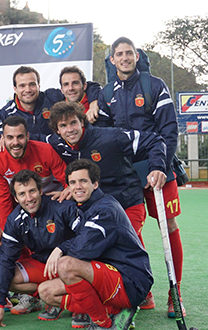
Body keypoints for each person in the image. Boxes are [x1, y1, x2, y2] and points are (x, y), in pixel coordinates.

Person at [99, 37, 184, 315]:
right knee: (129, 231)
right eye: (119, 54)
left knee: (168, 226)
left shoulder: (155, 85)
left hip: (158, 168)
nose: (124, 58)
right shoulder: (106, 92)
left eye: (129, 53)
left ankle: (176, 293)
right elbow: (104, 137)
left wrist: (160, 166)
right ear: (112, 60)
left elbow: (169, 131)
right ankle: (143, 290)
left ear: (136, 56)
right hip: (125, 176)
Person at [35, 159, 152, 330]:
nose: (78, 186)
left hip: (129, 281)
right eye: (73, 182)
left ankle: (102, 323)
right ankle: (115, 310)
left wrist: (60, 248)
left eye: (83, 181)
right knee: (45, 291)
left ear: (95, 184)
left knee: (66, 265)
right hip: (106, 276)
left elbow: (82, 249)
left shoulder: (105, 208)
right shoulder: (81, 207)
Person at [47, 101, 167, 244]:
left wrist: (157, 167)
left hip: (127, 204)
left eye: (73, 123)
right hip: (95, 209)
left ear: (82, 122)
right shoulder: (57, 143)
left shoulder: (111, 137)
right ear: (57, 131)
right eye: (63, 126)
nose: (70, 129)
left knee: (118, 245)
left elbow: (154, 140)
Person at [0, 170, 81, 328]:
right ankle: (52, 298)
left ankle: (81, 305)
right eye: (22, 194)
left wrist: (61, 248)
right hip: (47, 265)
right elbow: (5, 260)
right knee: (10, 277)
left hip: (73, 265)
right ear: (16, 198)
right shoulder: (15, 220)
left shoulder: (62, 207)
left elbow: (87, 238)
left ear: (41, 190)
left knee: (69, 268)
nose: (29, 199)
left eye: (32, 191)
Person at [0, 116, 68, 242]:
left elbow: (67, 179)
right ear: (2, 138)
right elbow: (3, 200)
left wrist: (67, 192)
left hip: (52, 200)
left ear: (28, 136)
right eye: (10, 137)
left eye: (20, 136)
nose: (15, 142)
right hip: (23, 204)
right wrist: (9, 230)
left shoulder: (45, 150)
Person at [0, 66, 61, 138]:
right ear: (15, 89)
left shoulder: (53, 99)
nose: (28, 90)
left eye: (32, 84)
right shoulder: (6, 114)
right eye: (22, 86)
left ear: (39, 86)